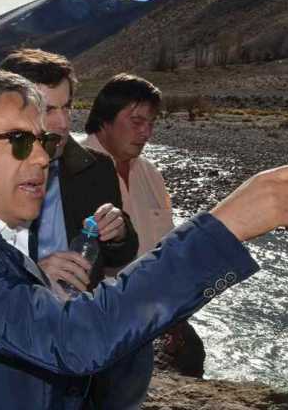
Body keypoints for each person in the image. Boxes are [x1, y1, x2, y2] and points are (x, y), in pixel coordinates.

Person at [0, 68, 288, 409]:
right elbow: (73, 340)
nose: (40, 158)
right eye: (18, 141)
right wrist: (224, 228)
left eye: (44, 142)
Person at [0, 49, 150, 409]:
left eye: (66, 107)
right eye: (47, 110)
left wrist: (119, 233)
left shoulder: (96, 168)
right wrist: (35, 274)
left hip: (83, 338)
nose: (64, 123)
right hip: (14, 344)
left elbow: (122, 253)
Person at [82, 73, 205, 377]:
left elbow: (168, 248)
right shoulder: (73, 174)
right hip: (99, 323)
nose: (147, 132)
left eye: (151, 123)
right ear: (104, 120)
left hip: (155, 316)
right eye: (136, 121)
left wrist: (176, 313)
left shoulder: (150, 174)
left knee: (191, 354)